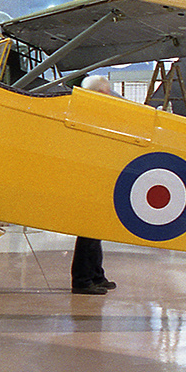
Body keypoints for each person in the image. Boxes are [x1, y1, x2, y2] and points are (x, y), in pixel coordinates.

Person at [72, 75, 118, 294]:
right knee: (89, 231)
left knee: (95, 230)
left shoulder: (87, 112)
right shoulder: (88, 114)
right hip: (89, 179)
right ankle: (82, 281)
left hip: (94, 177)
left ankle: (96, 275)